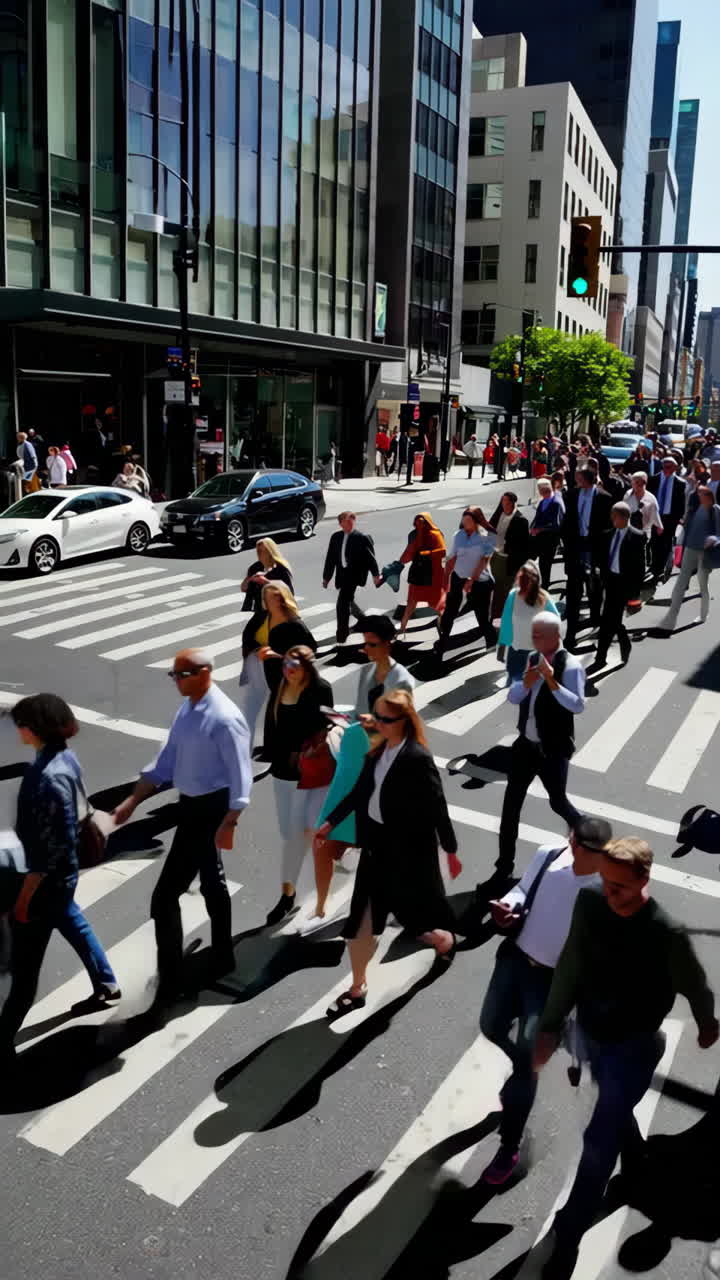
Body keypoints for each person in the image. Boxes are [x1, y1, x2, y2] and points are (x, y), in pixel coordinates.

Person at [533, 838, 718, 1280]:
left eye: (620, 886)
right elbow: (571, 966)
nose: (610, 893)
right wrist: (550, 1024)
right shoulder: (590, 903)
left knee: (597, 1149)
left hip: (633, 1048)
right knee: (612, 1115)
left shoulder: (665, 933)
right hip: (591, 1034)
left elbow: (696, 985)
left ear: (644, 880)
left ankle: (569, 1235)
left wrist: (707, 1023)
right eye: (606, 882)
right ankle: (634, 1159)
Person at [478, 816, 612, 1187]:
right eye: (582, 849)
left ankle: (509, 1147)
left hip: (553, 986)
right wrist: (508, 906)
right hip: (516, 961)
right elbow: (523, 890)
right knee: (490, 1025)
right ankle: (525, 1071)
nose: (587, 858)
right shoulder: (548, 856)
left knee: (525, 1065)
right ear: (574, 843)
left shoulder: (606, 891)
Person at [113, 649, 252, 999]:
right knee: (211, 881)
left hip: (211, 809)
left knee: (164, 898)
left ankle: (172, 976)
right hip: (190, 806)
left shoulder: (224, 718)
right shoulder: (188, 709)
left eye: (181, 674)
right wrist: (133, 800)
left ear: (204, 672)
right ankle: (222, 955)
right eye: (173, 674)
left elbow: (241, 776)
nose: (175, 680)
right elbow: (166, 761)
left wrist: (230, 821)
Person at [316, 691, 458, 1018]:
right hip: (377, 845)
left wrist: (449, 850)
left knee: (410, 911)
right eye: (374, 716)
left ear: (403, 722)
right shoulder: (377, 752)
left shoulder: (417, 758)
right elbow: (360, 793)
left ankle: (442, 940)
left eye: (384, 719)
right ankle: (357, 987)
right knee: (362, 918)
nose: (375, 723)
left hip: (406, 851)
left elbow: (438, 807)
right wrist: (330, 822)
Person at [0, 695, 121, 1069]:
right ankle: (106, 984)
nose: (16, 729)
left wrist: (22, 902)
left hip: (46, 882)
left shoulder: (45, 779)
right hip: (63, 877)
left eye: (20, 723)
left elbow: (45, 856)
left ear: (33, 729)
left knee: (23, 971)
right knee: (70, 917)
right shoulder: (63, 757)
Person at [495, 614, 585, 884]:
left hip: (552, 749)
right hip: (525, 746)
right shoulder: (532, 659)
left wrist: (551, 681)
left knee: (558, 801)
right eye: (533, 635)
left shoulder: (569, 666)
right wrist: (527, 682)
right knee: (510, 807)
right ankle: (503, 867)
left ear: (555, 637)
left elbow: (577, 705)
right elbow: (513, 697)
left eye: (538, 636)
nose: (533, 640)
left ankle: (588, 837)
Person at [262, 647, 334, 926]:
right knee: (288, 831)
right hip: (282, 771)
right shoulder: (280, 687)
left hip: (310, 773)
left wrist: (313, 748)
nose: (288, 669)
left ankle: (287, 894)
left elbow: (328, 724)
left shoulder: (320, 689)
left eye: (295, 665)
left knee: (296, 837)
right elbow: (272, 725)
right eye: (285, 664)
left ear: (307, 667)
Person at [239, 582, 317, 749]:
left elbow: (310, 650)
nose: (271, 601)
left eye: (275, 597)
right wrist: (257, 650)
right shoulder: (261, 617)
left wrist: (278, 656)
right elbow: (247, 637)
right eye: (267, 597)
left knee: (280, 712)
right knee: (252, 710)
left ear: (283, 599)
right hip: (260, 670)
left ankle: (279, 751)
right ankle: (251, 750)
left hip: (285, 675)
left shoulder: (294, 623)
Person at [588, 502, 646, 673]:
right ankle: (623, 638)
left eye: (614, 516)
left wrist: (634, 595)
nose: (612, 519)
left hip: (624, 584)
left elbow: (639, 568)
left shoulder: (637, 536)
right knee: (611, 619)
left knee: (607, 621)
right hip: (609, 581)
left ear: (623, 517)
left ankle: (600, 658)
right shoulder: (608, 534)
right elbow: (601, 556)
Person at [561, 463, 613, 651]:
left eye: (579, 476)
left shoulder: (604, 498)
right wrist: (566, 545)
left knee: (594, 590)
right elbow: (566, 522)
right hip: (576, 548)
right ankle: (570, 635)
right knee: (573, 592)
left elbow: (609, 527)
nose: (575, 479)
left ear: (587, 479)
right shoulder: (571, 495)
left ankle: (595, 621)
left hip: (594, 550)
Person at [434, 507, 496, 658]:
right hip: (458, 578)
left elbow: (483, 561)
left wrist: (471, 580)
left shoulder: (485, 538)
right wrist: (445, 581)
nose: (465, 522)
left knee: (481, 616)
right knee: (449, 613)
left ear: (476, 521)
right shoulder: (458, 536)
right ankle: (441, 646)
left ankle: (492, 642)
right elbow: (451, 558)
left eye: (468, 520)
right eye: (464, 519)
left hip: (480, 581)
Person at [657, 485, 720, 633]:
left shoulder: (716, 510)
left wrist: (713, 539)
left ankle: (703, 615)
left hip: (705, 553)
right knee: (680, 584)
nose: (698, 496)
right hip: (690, 549)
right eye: (698, 493)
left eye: (702, 493)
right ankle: (670, 620)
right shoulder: (695, 509)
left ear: (709, 496)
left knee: (703, 585)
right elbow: (688, 529)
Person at [322, 512, 381, 645]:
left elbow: (371, 559)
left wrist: (376, 576)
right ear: (340, 523)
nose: (349, 523)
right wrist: (327, 578)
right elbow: (330, 559)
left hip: (354, 575)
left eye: (351, 521)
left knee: (342, 605)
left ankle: (341, 637)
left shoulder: (361, 537)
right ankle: (367, 622)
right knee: (349, 602)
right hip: (341, 574)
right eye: (346, 521)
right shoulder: (336, 537)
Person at [498, 562, 561, 683]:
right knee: (516, 683)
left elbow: (555, 621)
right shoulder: (513, 595)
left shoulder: (543, 598)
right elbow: (506, 622)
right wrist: (502, 647)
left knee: (527, 685)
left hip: (535, 653)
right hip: (518, 650)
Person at [354, 614, 415, 718]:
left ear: (387, 644)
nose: (366, 648)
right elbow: (361, 710)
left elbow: (400, 722)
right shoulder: (366, 671)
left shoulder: (401, 679)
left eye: (372, 644)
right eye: (365, 643)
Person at [398, 512, 447, 635]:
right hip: (419, 574)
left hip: (431, 574)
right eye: (417, 522)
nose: (419, 525)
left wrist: (427, 554)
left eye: (422, 522)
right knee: (412, 604)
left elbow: (442, 552)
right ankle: (402, 628)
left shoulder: (436, 534)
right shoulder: (415, 535)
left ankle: (443, 627)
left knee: (436, 604)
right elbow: (408, 554)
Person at [489, 492, 531, 620]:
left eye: (506, 502)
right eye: (502, 502)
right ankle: (495, 615)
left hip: (508, 560)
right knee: (494, 588)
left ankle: (498, 618)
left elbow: (523, 546)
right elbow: (490, 528)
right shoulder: (499, 514)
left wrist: (517, 565)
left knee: (502, 591)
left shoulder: (521, 520)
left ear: (513, 503)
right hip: (495, 556)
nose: (504, 504)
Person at [648, 455, 686, 585]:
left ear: (675, 467)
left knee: (666, 544)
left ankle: (661, 571)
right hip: (655, 517)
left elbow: (681, 503)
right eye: (664, 466)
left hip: (670, 519)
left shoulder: (680, 483)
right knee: (654, 543)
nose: (666, 469)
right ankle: (654, 568)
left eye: (669, 466)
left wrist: (678, 519)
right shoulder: (653, 480)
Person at [240, 538, 293, 613]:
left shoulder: (281, 569)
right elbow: (244, 588)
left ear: (270, 551)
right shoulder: (255, 568)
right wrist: (250, 579)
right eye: (258, 551)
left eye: (263, 551)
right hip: (260, 610)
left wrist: (265, 581)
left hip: (278, 611)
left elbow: (289, 592)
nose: (259, 553)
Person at [530, 478, 564, 588]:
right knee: (541, 564)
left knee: (546, 564)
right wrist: (532, 527)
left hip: (550, 539)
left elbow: (556, 525)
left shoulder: (555, 503)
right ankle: (542, 584)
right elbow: (537, 517)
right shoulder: (543, 501)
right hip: (540, 539)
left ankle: (545, 587)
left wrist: (540, 529)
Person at [624, 471, 662, 544]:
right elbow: (623, 511)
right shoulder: (628, 494)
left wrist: (659, 526)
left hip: (644, 533)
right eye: (634, 482)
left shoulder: (651, 498)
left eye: (638, 482)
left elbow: (655, 515)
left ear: (644, 483)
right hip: (629, 531)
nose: (635, 484)